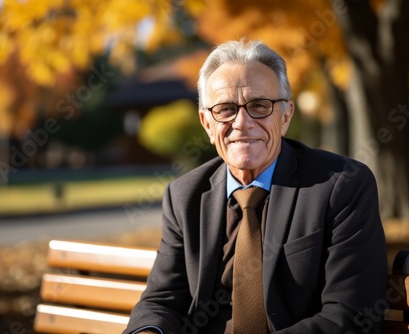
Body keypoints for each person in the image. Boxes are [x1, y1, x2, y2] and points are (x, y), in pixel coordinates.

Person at [124, 38, 387, 334]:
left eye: (259, 106)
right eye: (225, 109)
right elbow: (161, 300)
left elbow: (348, 316)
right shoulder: (185, 196)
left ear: (285, 115)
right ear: (207, 124)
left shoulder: (342, 186)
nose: (242, 122)